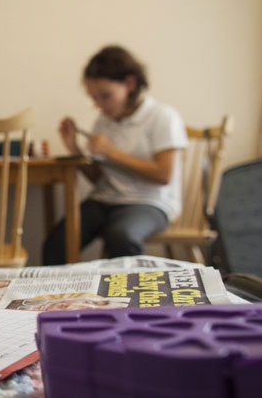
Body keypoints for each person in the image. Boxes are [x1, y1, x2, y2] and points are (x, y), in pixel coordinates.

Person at [43, 45, 187, 265]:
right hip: (105, 199)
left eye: (105, 96)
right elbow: (99, 179)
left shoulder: (163, 117)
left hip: (149, 202)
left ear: (129, 84)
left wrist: (112, 152)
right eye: (94, 98)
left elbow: (163, 175)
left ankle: (129, 298)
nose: (99, 105)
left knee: (121, 236)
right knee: (57, 242)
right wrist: (74, 148)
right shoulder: (104, 122)